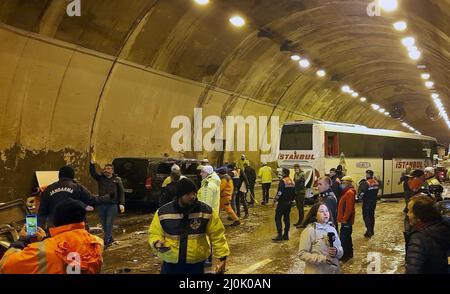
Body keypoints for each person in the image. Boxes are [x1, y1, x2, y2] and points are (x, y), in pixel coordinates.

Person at [148, 178, 230, 274]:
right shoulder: (163, 212)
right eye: (188, 194)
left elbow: (217, 235)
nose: (193, 196)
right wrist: (157, 243)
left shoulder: (206, 211)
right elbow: (154, 233)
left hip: (195, 264)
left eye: (194, 193)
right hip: (171, 263)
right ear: (179, 195)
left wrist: (222, 258)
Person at [0, 199, 104, 274]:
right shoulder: (97, 242)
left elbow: (6, 266)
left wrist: (22, 240)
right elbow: (71, 258)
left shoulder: (43, 251)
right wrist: (47, 240)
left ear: (55, 220)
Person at [405, 195, 450, 274]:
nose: (408, 214)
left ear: (419, 216)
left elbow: (413, 269)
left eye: (410, 211)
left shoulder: (419, 237)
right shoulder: (443, 227)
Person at [90, 157, 125, 247]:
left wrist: (121, 204)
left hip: (112, 205)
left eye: (108, 169)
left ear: (112, 171)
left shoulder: (117, 180)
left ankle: (106, 240)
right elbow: (93, 173)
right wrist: (92, 164)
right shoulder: (101, 178)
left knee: (109, 223)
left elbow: (121, 192)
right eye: (105, 169)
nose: (106, 170)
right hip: (102, 204)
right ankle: (110, 238)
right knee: (104, 224)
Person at [299, 202, 343, 274]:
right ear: (315, 216)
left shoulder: (332, 229)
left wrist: (337, 251)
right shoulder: (309, 231)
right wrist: (323, 259)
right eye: (322, 211)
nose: (325, 213)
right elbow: (302, 254)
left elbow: (340, 248)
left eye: (327, 211)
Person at [272, 168, 296, 241]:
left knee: (277, 218)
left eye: (282, 173)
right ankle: (286, 235)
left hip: (282, 203)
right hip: (289, 203)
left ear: (284, 173)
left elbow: (280, 192)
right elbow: (294, 192)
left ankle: (279, 235)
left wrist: (275, 199)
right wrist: (292, 200)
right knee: (286, 218)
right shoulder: (292, 181)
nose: (281, 174)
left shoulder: (283, 181)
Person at [337, 176, 356, 261]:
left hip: (346, 220)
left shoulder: (349, 193)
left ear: (348, 183)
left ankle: (344, 255)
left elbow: (349, 208)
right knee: (347, 237)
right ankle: (349, 253)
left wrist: (344, 219)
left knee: (344, 238)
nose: (342, 184)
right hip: (345, 220)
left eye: (343, 183)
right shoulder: (346, 192)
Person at [358, 170, 380, 238]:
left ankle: (369, 231)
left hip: (367, 202)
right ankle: (372, 230)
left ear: (368, 175)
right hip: (374, 202)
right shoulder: (376, 182)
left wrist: (359, 198)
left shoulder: (366, 183)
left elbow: (362, 193)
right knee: (371, 216)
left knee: (366, 216)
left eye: (366, 174)